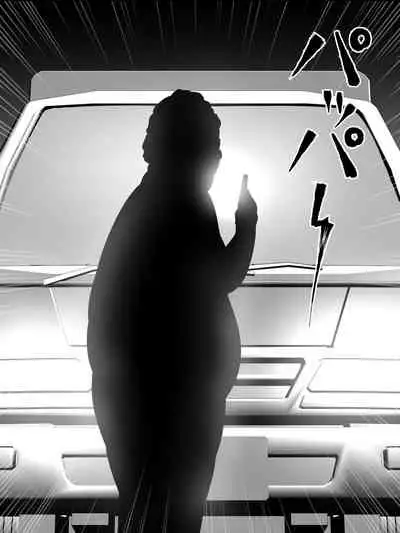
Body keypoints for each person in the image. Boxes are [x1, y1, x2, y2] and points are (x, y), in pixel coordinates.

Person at [87, 89, 258, 533]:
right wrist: (247, 226)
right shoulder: (181, 200)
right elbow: (220, 276)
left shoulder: (152, 200)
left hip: (146, 401)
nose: (218, 157)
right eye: (211, 144)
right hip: (170, 406)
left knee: (149, 514)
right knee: (171, 517)